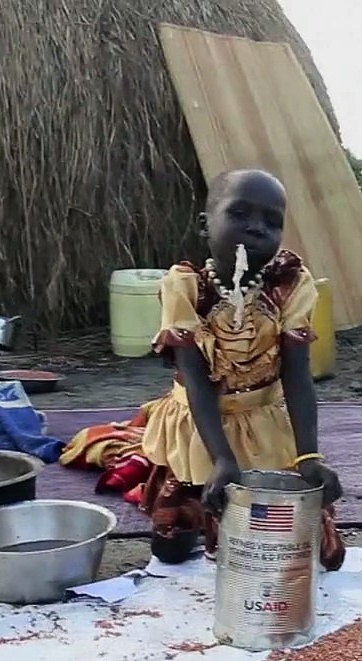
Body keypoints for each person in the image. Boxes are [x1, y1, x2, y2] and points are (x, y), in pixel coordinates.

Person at [139, 169, 345, 568]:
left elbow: (298, 377)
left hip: (264, 423)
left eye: (272, 221)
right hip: (200, 427)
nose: (256, 229)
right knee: (171, 550)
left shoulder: (290, 287)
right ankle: (195, 508)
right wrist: (222, 458)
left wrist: (308, 456)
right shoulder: (186, 288)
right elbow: (196, 380)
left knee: (309, 552)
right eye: (240, 214)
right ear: (205, 225)